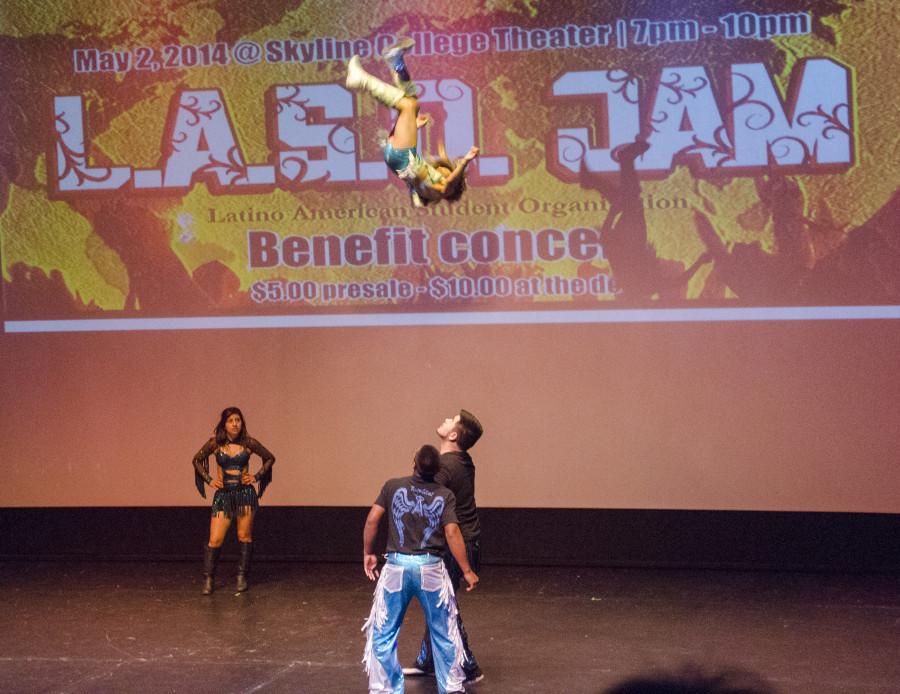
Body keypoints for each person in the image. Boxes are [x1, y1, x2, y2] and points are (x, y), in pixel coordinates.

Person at [362, 444, 479, 694]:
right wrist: (466, 570)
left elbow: (372, 519)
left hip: (396, 567)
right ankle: (451, 688)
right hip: (430, 568)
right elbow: (452, 531)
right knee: (443, 632)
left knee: (384, 631)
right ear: (437, 470)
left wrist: (369, 553)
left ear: (413, 463)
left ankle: (385, 689)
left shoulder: (393, 486)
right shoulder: (444, 494)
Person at [345, 37, 479, 207]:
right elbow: (420, 189)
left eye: (446, 175)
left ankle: (362, 80)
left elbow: (448, 185)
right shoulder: (422, 187)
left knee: (409, 105)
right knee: (411, 102)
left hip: (401, 157)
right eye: (443, 171)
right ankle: (397, 62)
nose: (443, 174)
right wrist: (412, 126)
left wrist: (465, 161)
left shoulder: (438, 190)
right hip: (398, 156)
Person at [407, 410, 484, 683]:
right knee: (437, 603)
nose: (445, 419)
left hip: (456, 545)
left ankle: (468, 666)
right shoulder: (463, 461)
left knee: (444, 607)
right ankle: (427, 661)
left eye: (451, 419)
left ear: (453, 435)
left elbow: (425, 498)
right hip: (468, 541)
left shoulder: (446, 466)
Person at [192, 406, 275, 594]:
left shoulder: (249, 443)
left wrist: (256, 476)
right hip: (224, 495)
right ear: (224, 424)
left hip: (245, 494)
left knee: (244, 536)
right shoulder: (215, 444)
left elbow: (269, 458)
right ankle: (208, 579)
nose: (235, 424)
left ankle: (241, 576)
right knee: (215, 539)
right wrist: (210, 480)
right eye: (230, 421)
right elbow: (197, 460)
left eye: (238, 420)